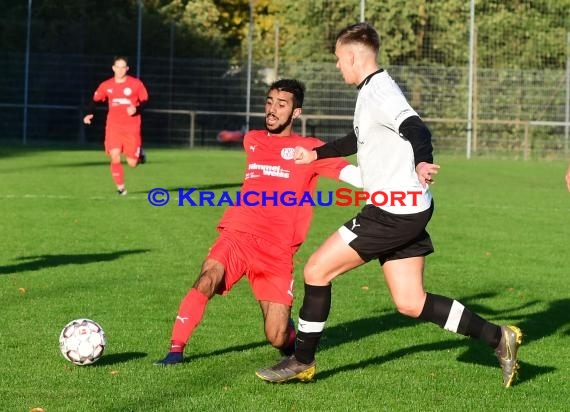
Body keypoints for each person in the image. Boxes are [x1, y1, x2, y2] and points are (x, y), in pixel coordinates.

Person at [255, 23, 523, 388]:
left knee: (316, 271)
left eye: (338, 59)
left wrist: (422, 160)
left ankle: (301, 360)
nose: (337, 66)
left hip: (392, 211)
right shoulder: (370, 91)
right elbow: (357, 137)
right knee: (411, 302)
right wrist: (315, 154)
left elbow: (417, 129)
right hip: (408, 208)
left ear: (352, 56)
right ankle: (499, 338)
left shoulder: (381, 91)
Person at [154, 79, 362, 366]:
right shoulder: (253, 139)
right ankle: (175, 351)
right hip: (237, 234)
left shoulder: (310, 149)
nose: (272, 110)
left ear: (296, 113)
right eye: (269, 102)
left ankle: (294, 342)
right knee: (207, 279)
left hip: (276, 249)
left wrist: (397, 182)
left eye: (281, 104)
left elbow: (355, 177)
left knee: (276, 336)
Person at [83, 56, 149, 196]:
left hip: (132, 128)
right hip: (114, 127)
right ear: (113, 68)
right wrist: (89, 113)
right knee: (115, 155)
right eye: (117, 67)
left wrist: (136, 109)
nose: (120, 70)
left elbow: (145, 102)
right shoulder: (106, 85)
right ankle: (121, 188)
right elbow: (95, 100)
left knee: (132, 163)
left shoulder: (136, 84)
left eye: (123, 67)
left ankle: (140, 155)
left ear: (127, 69)